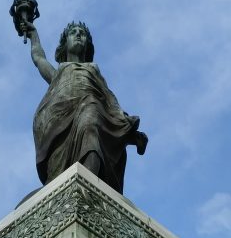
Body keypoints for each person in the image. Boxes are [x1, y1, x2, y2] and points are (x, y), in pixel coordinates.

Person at [24, 20, 147, 195]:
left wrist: (126, 127)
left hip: (89, 107)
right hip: (58, 118)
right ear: (65, 44)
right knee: (57, 169)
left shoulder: (92, 69)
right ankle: (59, 189)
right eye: (73, 32)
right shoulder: (58, 71)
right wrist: (33, 35)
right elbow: (39, 58)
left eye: (82, 33)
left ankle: (87, 188)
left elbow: (108, 98)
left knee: (91, 116)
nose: (78, 35)